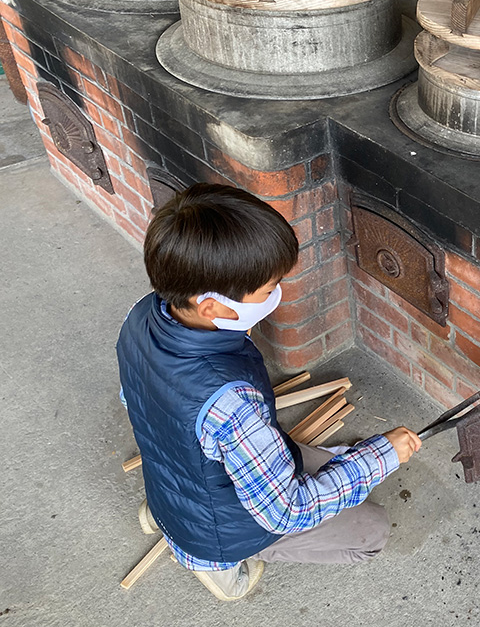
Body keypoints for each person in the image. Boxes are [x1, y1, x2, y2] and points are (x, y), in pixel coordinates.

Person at [116, 183, 421, 601]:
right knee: (372, 533)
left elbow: (144, 406)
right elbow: (288, 510)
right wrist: (384, 455)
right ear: (210, 306)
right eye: (268, 288)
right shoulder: (230, 405)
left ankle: (165, 514)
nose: (276, 295)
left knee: (329, 463)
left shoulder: (140, 316)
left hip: (175, 481)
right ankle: (215, 567)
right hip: (219, 532)